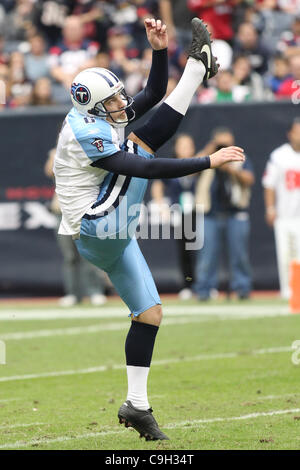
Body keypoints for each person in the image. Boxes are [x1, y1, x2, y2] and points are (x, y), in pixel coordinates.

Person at [54, 17, 245, 441]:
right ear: (94, 107)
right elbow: (145, 166)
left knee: (150, 314)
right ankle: (197, 68)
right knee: (138, 147)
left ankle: (137, 404)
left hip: (113, 234)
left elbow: (153, 94)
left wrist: (159, 51)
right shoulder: (85, 131)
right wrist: (206, 161)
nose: (122, 103)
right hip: (97, 226)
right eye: (114, 100)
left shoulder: (98, 113)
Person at [193, 127, 255, 300]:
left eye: (227, 144)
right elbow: (190, 170)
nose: (224, 147)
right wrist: (209, 152)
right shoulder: (206, 157)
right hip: (210, 213)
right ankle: (204, 291)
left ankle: (243, 289)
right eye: (220, 144)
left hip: (236, 213)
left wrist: (230, 168)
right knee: (206, 256)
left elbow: (249, 179)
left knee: (240, 255)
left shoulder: (239, 158)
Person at [151, 134, 198, 300]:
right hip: (179, 213)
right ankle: (188, 284)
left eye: (189, 145)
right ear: (176, 148)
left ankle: (204, 283)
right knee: (185, 251)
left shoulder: (200, 163)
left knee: (201, 249)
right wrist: (161, 206)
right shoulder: (170, 166)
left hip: (198, 212)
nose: (186, 149)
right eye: (182, 145)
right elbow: (157, 186)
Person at [262, 117, 300, 299]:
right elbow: (269, 184)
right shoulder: (279, 156)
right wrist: (270, 208)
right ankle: (289, 290)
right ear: (290, 134)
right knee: (288, 254)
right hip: (286, 214)